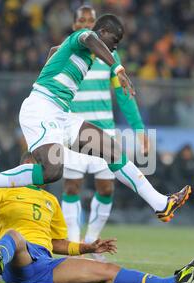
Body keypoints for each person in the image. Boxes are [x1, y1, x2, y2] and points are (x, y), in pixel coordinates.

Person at [0, 14, 191, 224]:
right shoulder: (85, 36)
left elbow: (54, 50)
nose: (115, 46)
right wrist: (118, 69)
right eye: (114, 39)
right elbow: (88, 37)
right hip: (41, 108)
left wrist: (53, 63)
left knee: (111, 149)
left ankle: (161, 203)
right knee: (52, 171)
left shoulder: (82, 52)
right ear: (102, 33)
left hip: (61, 114)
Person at [0, 155, 194, 283]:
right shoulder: (2, 188)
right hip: (16, 259)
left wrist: (88, 248)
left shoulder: (51, 201)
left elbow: (56, 243)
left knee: (107, 271)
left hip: (43, 264)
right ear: (26, 166)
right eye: (40, 166)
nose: (47, 171)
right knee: (14, 235)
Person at [59, 6, 148, 260]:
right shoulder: (67, 51)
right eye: (82, 20)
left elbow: (123, 93)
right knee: (72, 186)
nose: (86, 23)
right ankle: (74, 245)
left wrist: (139, 130)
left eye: (91, 20)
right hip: (74, 131)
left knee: (107, 188)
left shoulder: (109, 54)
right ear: (74, 24)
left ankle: (91, 240)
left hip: (103, 133)